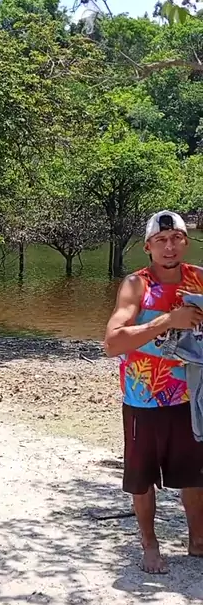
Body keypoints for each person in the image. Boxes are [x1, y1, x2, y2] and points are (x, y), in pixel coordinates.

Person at [105, 210, 203, 574]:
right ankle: (150, 543)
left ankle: (198, 540)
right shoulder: (137, 285)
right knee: (142, 477)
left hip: (190, 397)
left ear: (185, 242)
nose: (169, 247)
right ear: (148, 247)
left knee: (194, 475)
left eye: (175, 238)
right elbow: (113, 342)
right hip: (143, 397)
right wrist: (168, 320)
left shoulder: (199, 279)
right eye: (160, 240)